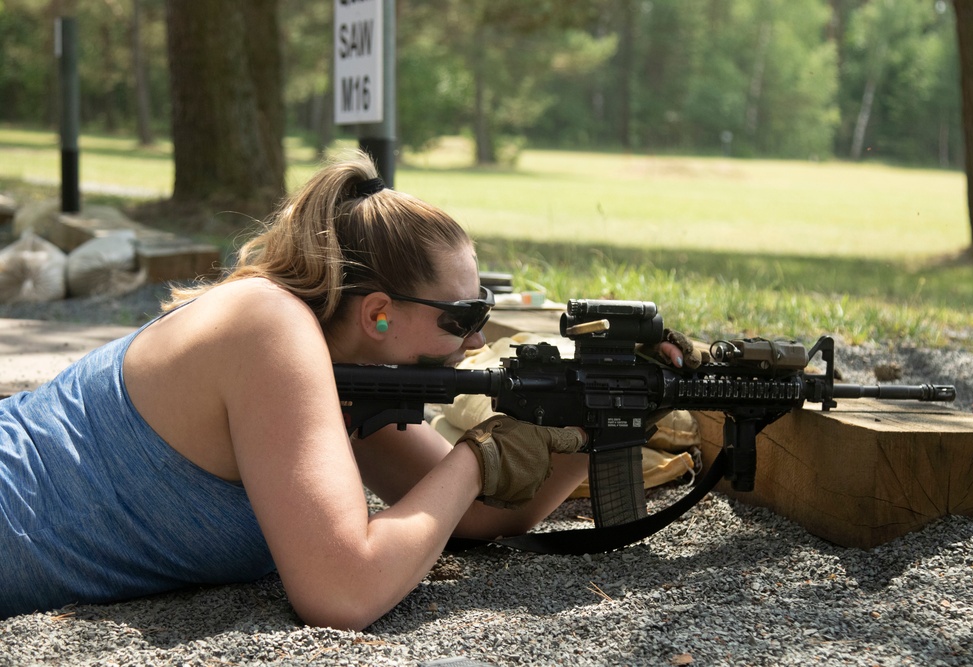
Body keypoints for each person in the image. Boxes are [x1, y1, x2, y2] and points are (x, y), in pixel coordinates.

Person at [0, 150, 685, 629]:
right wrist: (480, 455)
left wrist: (598, 421)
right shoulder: (271, 327)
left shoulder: (337, 362)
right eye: (462, 318)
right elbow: (343, 590)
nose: (477, 341)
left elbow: (471, 517)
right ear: (378, 313)